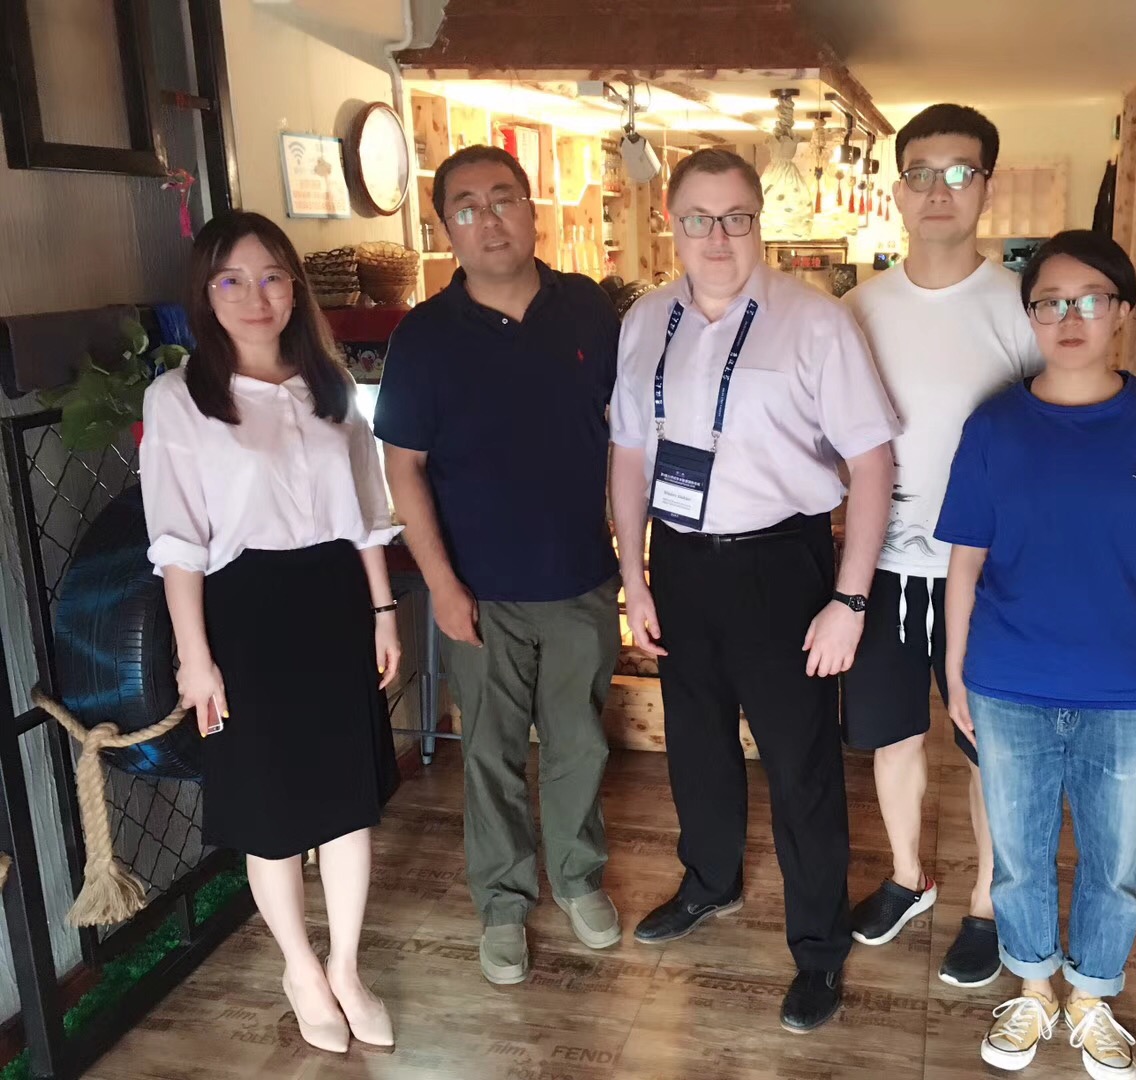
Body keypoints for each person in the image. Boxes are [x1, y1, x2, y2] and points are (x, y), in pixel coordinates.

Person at [610, 148, 898, 1034]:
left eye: (735, 217)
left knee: (800, 766)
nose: (717, 236)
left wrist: (849, 601)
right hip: (680, 563)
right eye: (698, 218)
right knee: (695, 744)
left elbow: (873, 463)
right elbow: (628, 453)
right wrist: (634, 576)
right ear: (671, 223)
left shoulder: (815, 323)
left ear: (758, 222)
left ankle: (818, 948)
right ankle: (711, 881)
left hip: (782, 565)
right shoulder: (644, 320)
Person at [936, 230, 1136, 1077]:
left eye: (1090, 299)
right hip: (1009, 681)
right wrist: (955, 673)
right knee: (1017, 857)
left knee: (1113, 862)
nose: (1069, 317)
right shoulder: (995, 426)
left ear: (1122, 311)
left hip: (1130, 688)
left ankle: (1090, 996)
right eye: (1049, 302)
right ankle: (1032, 989)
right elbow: (965, 562)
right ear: (1030, 316)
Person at [141, 211, 401, 1054]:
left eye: (270, 277)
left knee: (347, 802)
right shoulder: (179, 398)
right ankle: (300, 968)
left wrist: (383, 612)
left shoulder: (329, 384)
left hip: (334, 601)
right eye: (231, 279)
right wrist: (196, 659)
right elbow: (177, 542)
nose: (255, 296)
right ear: (205, 293)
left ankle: (348, 967)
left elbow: (366, 512)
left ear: (294, 289)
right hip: (242, 613)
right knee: (271, 809)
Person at [374, 146, 622, 986]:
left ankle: (580, 878)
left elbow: (629, 435)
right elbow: (404, 468)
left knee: (580, 744)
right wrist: (442, 587)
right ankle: (504, 903)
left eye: (504, 199)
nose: (490, 219)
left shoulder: (587, 310)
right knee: (490, 752)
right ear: (447, 229)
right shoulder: (423, 337)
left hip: (582, 578)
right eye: (468, 207)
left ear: (532, 210)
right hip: (477, 593)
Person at [841, 105, 1042, 987]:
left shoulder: (1023, 307)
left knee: (985, 745)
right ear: (897, 190)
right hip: (882, 566)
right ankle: (906, 877)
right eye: (921, 173)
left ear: (986, 187)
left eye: (960, 173)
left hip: (991, 574)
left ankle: (987, 905)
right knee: (892, 737)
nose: (938, 190)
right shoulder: (855, 310)